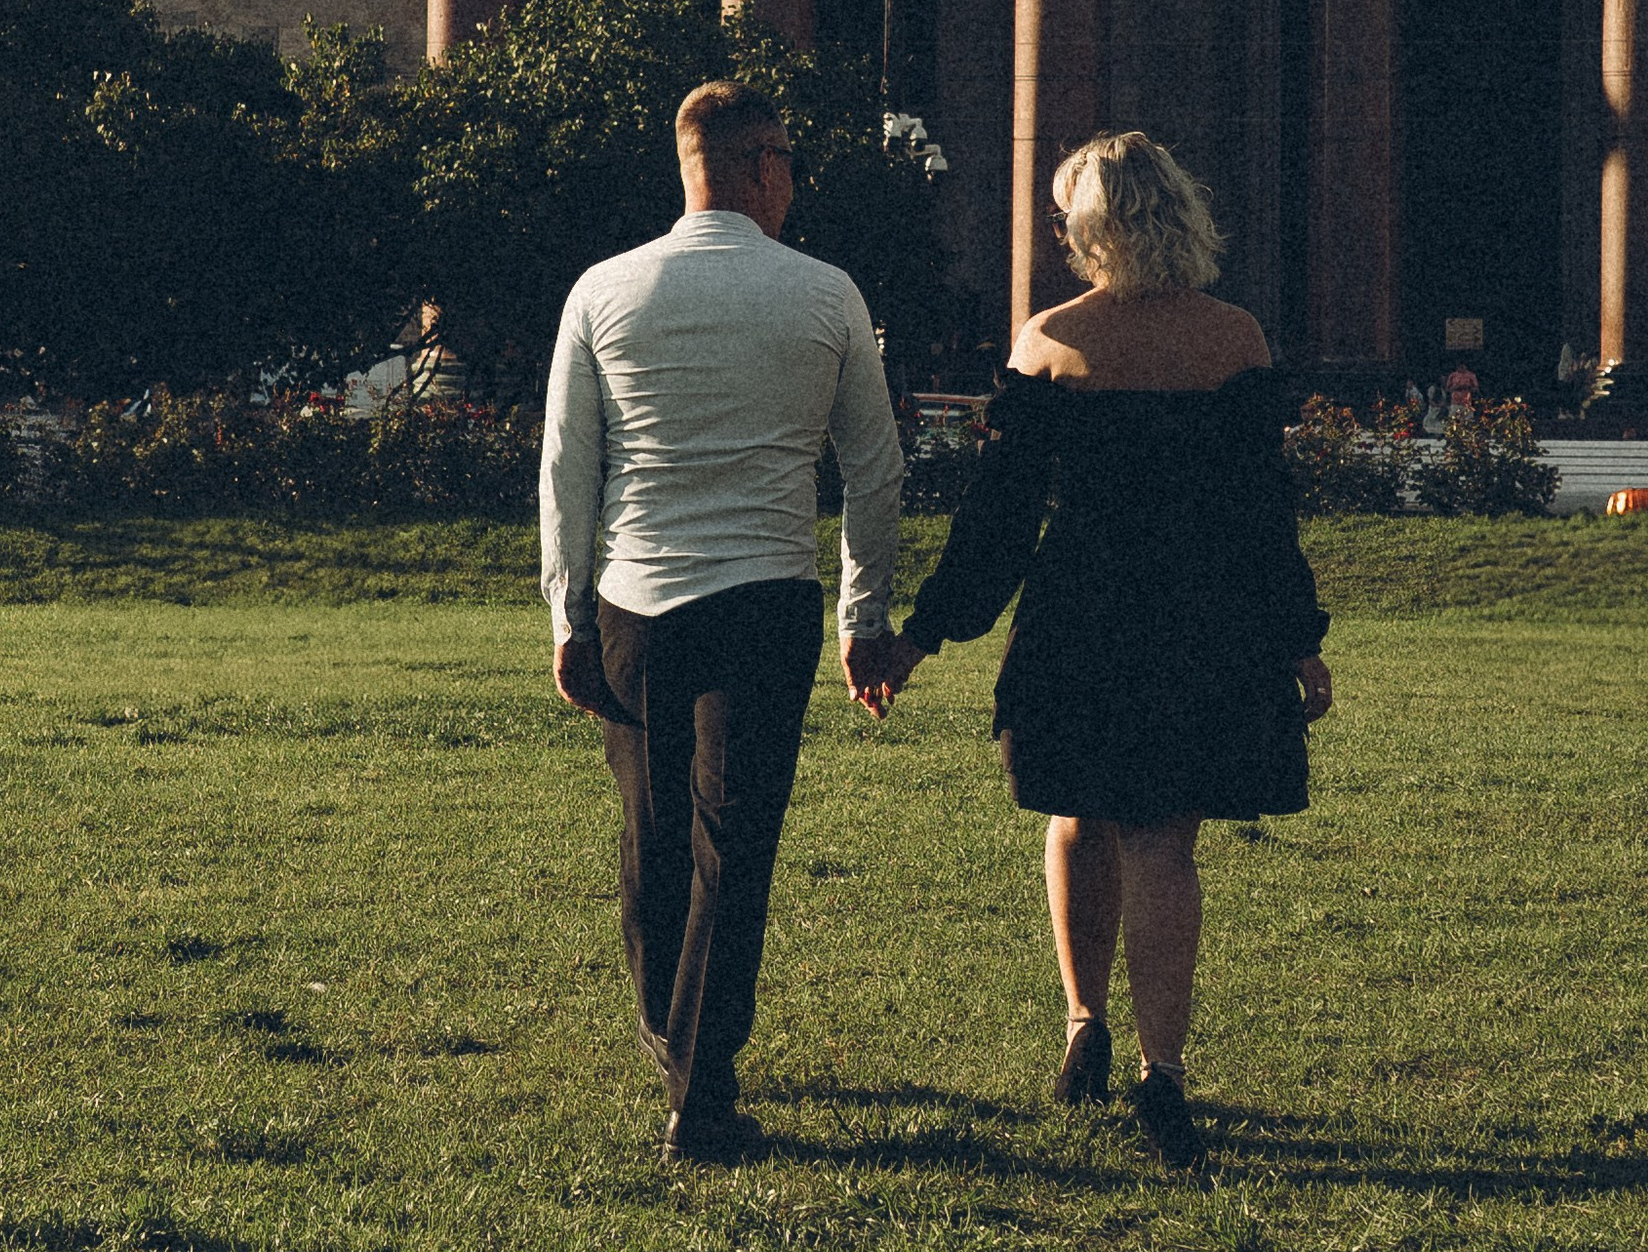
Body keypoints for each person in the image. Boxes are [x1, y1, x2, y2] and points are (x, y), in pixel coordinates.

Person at [860, 130, 1332, 1173]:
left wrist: (921, 638)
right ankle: (1163, 1073)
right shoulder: (1235, 340)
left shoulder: (1049, 341)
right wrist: (1299, 644)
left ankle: (1084, 1028)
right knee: (1166, 838)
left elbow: (998, 524)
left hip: (1080, 612)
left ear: (1086, 225)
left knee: (1079, 817)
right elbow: (1265, 518)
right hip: (1204, 618)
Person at [540, 80, 906, 1166]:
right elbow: (874, 468)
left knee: (652, 837)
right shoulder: (824, 294)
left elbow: (569, 465)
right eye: (789, 159)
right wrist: (864, 612)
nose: (793, 180)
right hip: (764, 595)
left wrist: (564, 611)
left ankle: (674, 1043)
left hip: (633, 601)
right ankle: (701, 1086)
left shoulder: (604, 290)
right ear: (758, 165)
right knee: (732, 845)